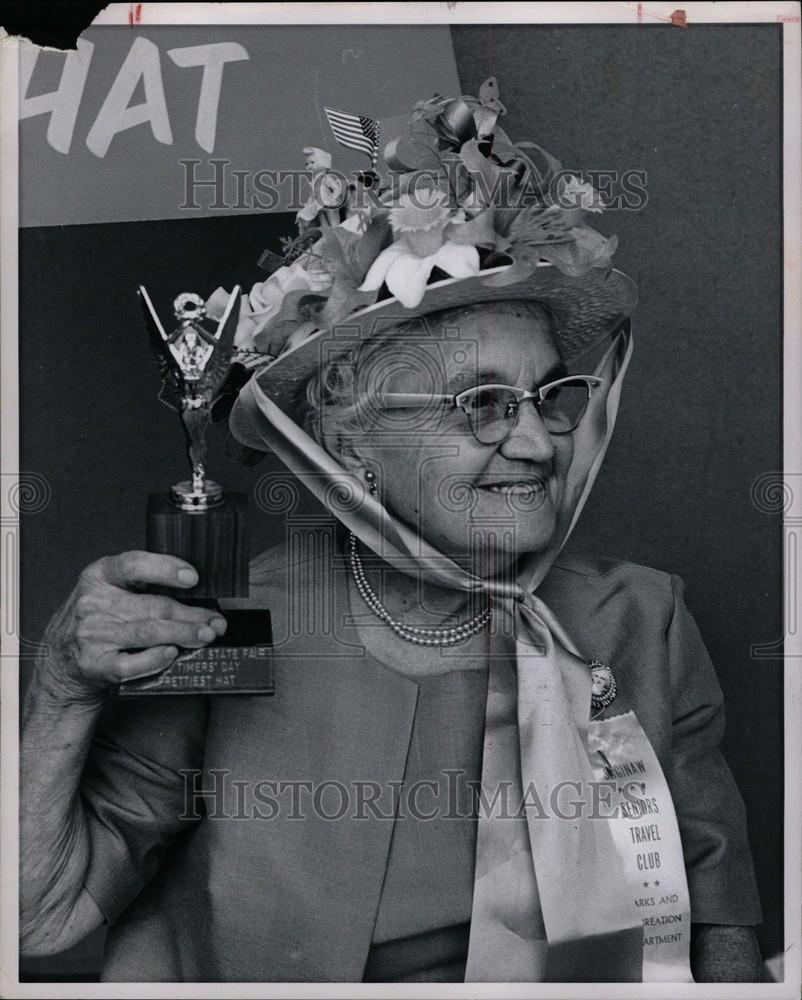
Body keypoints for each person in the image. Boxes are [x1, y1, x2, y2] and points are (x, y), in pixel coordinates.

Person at [20, 81, 766, 983]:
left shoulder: (640, 618)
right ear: (352, 442)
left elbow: (715, 921)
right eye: (483, 405)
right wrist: (61, 690)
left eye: (551, 398)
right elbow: (38, 918)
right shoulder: (236, 620)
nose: (537, 443)